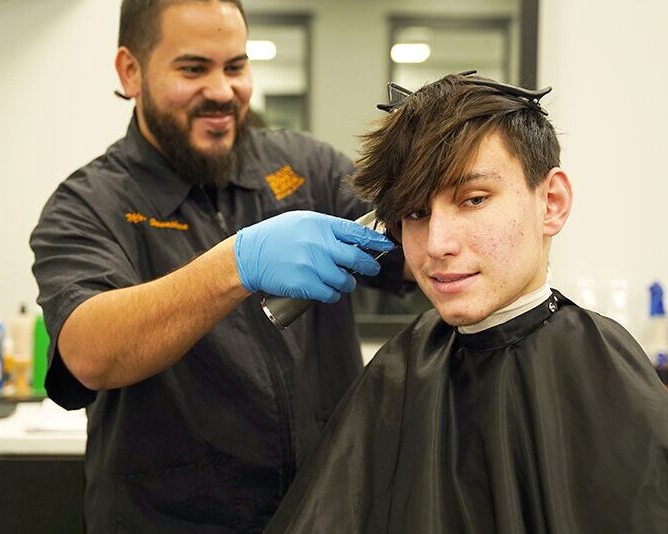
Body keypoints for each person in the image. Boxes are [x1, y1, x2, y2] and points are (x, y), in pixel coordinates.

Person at [264, 72, 668, 533]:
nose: (437, 244)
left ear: (551, 202)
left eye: (473, 200)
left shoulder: (613, 386)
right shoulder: (400, 373)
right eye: (416, 212)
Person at [29, 1, 408, 532]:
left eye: (235, 66)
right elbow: (88, 351)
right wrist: (236, 264)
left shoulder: (307, 170)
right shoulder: (88, 204)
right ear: (130, 71)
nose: (222, 90)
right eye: (193, 68)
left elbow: (413, 259)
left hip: (322, 514)